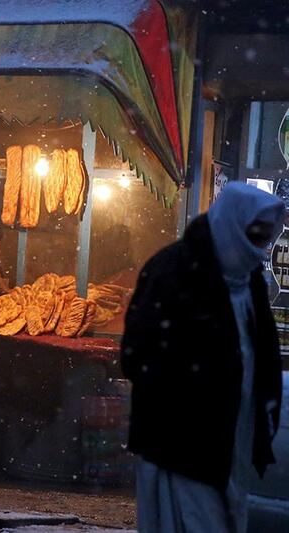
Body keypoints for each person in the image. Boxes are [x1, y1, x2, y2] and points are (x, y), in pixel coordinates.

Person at [121, 182, 285, 532]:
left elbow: (261, 352)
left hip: (228, 441)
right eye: (254, 238)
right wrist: (191, 398)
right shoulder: (173, 272)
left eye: (264, 240)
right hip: (179, 445)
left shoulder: (247, 277)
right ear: (232, 227)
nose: (260, 250)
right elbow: (138, 356)